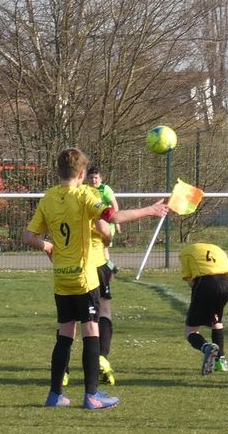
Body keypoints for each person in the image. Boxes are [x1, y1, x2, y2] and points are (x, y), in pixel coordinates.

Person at [24, 148, 167, 410]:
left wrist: (49, 247)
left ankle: (55, 395)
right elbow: (112, 217)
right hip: (84, 277)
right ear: (81, 174)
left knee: (65, 333)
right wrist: (151, 210)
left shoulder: (48, 198)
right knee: (91, 329)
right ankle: (92, 395)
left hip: (61, 278)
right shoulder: (86, 195)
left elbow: (29, 237)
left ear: (58, 172)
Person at [180, 240, 228, 376]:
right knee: (216, 319)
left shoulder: (186, 252)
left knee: (190, 331)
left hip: (205, 283)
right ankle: (221, 361)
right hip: (226, 284)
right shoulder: (219, 249)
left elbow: (190, 281)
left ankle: (207, 347)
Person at [86, 164, 118, 386]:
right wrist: (149, 210)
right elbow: (107, 225)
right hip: (97, 262)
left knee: (69, 321)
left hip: (71, 264)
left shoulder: (60, 196)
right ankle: (101, 357)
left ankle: (62, 374)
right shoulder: (91, 199)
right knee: (103, 310)